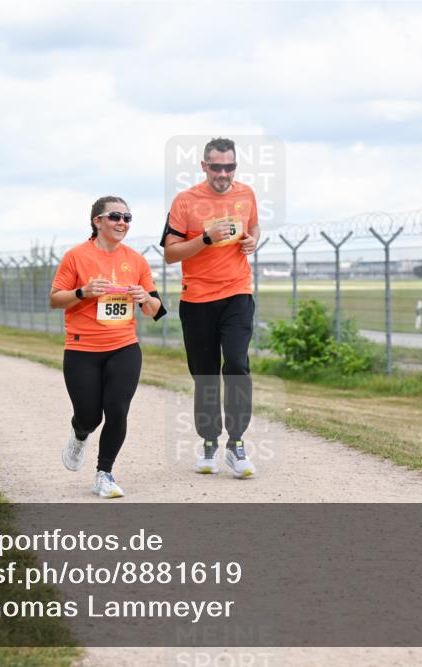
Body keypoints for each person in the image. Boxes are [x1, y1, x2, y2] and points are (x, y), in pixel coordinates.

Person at [50, 196, 165, 498]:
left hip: (124, 346)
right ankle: (79, 434)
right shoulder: (76, 256)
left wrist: (145, 298)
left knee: (117, 410)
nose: (122, 223)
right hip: (82, 348)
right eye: (115, 216)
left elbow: (155, 310)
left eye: (127, 218)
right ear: (97, 221)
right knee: (89, 416)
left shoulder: (136, 260)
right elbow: (55, 299)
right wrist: (83, 292)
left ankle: (105, 473)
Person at [161, 137, 260, 479]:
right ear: (204, 166)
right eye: (216, 167)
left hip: (237, 293)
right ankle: (209, 442)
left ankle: (237, 443)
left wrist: (253, 240)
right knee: (205, 376)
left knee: (236, 364)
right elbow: (170, 253)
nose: (223, 173)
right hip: (197, 300)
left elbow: (253, 225)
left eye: (229, 167)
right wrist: (206, 238)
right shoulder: (185, 200)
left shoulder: (246, 194)